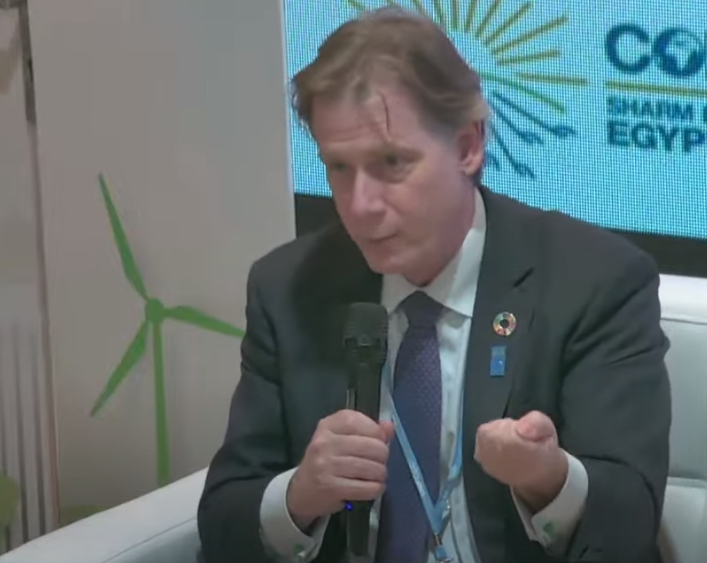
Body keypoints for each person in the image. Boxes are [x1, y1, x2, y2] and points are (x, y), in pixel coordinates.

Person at [197, 6, 671, 563]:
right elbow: (223, 520)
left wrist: (549, 478)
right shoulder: (289, 288)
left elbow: (631, 524)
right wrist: (300, 495)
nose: (360, 205)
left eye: (391, 162)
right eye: (339, 168)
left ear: (468, 147)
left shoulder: (592, 282)